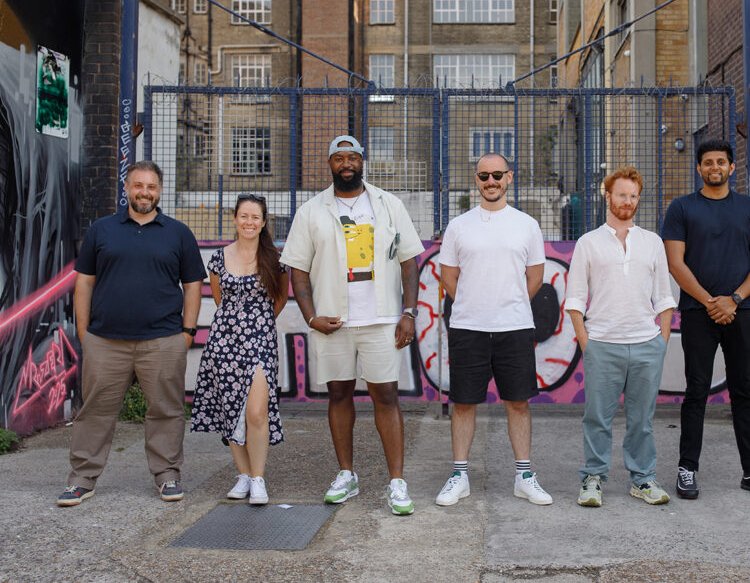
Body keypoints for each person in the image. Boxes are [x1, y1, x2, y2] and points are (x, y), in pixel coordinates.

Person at [280, 135, 423, 516]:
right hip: (334, 321)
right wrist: (310, 317)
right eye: (339, 158)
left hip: (380, 319)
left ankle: (396, 482)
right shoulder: (311, 211)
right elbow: (298, 270)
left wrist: (409, 313)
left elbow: (410, 261)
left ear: (363, 161)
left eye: (352, 157)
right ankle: (347, 475)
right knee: (339, 395)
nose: (346, 164)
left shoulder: (388, 205)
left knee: (387, 397)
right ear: (329, 164)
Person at [57, 161, 206, 506]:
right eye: (138, 186)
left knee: (166, 411)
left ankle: (167, 475)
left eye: (151, 186)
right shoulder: (102, 230)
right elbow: (84, 283)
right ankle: (82, 478)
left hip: (163, 340)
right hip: (106, 341)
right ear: (126, 188)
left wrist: (187, 331)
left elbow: (193, 284)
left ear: (160, 190)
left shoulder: (178, 233)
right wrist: (84, 332)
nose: (144, 192)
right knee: (94, 411)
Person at [662, 139, 750, 499]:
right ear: (699, 168)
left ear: (732, 167)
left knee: (743, 392)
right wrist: (710, 301)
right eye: (708, 162)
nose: (714, 167)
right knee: (696, 391)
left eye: (721, 162)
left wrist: (734, 299)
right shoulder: (682, 208)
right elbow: (675, 263)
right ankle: (687, 469)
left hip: (741, 312)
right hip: (699, 313)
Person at [435, 153, 552, 507]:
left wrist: (506, 302)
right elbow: (448, 277)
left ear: (509, 177)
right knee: (464, 404)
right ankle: (459, 476)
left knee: (517, 403)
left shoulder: (527, 225)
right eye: (484, 175)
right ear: (476, 179)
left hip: (514, 327)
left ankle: (524, 476)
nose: (491, 181)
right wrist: (477, 302)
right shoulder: (459, 226)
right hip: (468, 327)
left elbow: (535, 277)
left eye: (497, 174)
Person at [565, 167, 677, 507]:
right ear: (608, 196)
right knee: (597, 418)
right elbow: (575, 300)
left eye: (633, 196)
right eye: (621, 194)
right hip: (602, 345)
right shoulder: (588, 243)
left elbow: (664, 297)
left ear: (637, 200)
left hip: (646, 346)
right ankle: (592, 479)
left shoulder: (652, 242)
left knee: (641, 421)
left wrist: (661, 342)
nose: (627, 201)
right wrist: (588, 344)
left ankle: (642, 479)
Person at [191, 194, 290, 505]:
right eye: (244, 216)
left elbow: (281, 299)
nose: (249, 222)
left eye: (255, 217)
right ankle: (244, 475)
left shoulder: (275, 259)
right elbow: (220, 299)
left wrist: (257, 324)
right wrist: (235, 326)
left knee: (257, 412)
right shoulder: (219, 258)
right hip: (224, 342)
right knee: (230, 408)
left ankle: (258, 478)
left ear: (263, 222)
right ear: (235, 219)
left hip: (261, 341)